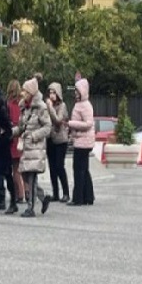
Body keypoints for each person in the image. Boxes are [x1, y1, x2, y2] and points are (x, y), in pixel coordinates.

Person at [15, 78, 53, 217]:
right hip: (26, 147)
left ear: (31, 92)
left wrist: (35, 135)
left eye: (25, 90)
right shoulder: (24, 107)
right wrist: (11, 132)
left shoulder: (41, 107)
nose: (22, 92)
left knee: (31, 177)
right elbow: (21, 127)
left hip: (35, 147)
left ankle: (30, 208)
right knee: (25, 175)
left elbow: (48, 127)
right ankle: (43, 197)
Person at [66, 77, 95, 206]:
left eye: (77, 90)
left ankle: (78, 198)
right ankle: (88, 196)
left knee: (78, 169)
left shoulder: (85, 105)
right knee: (84, 169)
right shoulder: (81, 104)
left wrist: (71, 124)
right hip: (81, 139)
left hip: (83, 141)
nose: (75, 93)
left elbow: (88, 123)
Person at [45, 82, 71, 203]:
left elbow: (58, 120)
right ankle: (55, 193)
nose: (51, 95)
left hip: (60, 140)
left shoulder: (62, 106)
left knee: (60, 166)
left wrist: (50, 107)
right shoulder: (48, 105)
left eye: (54, 92)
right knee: (52, 167)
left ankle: (66, 193)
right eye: (50, 92)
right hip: (50, 139)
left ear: (58, 93)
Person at [6, 79, 25, 213]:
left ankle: (19, 194)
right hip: (22, 135)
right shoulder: (23, 103)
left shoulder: (9, 104)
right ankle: (28, 192)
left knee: (15, 169)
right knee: (23, 168)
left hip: (13, 136)